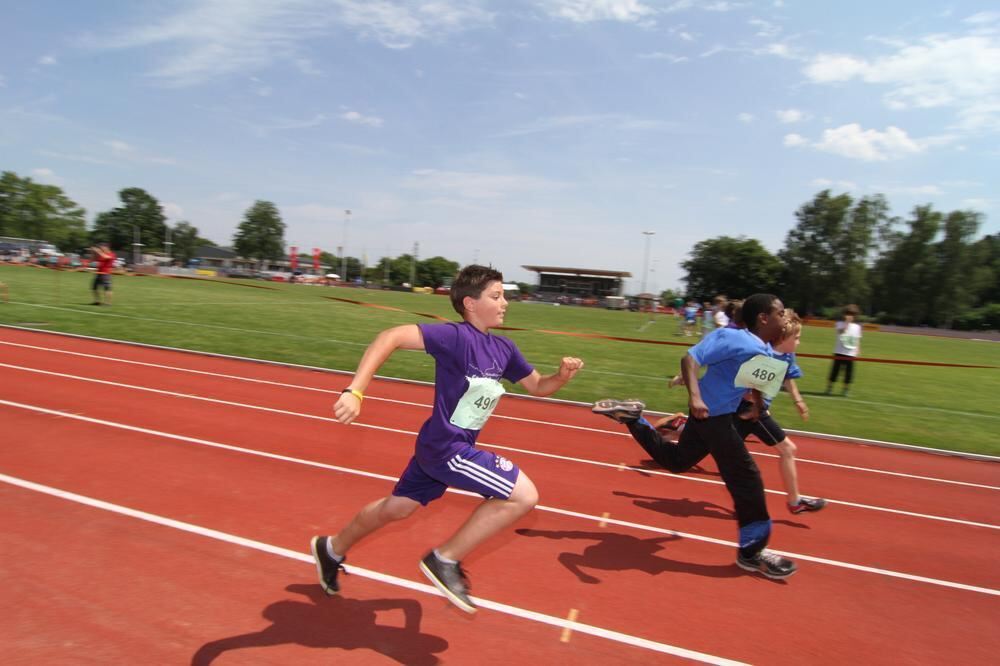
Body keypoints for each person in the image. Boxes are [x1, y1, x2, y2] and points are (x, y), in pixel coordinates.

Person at [311, 265, 584, 613]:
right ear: (470, 303)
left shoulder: (504, 348)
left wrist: (561, 377)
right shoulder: (455, 337)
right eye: (496, 296)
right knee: (523, 495)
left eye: (505, 296)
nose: (505, 303)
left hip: (440, 446)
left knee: (397, 508)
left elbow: (538, 386)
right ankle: (445, 559)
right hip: (446, 449)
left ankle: (331, 548)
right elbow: (390, 336)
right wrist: (355, 391)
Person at [593, 294, 797, 579]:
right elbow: (690, 358)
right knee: (747, 480)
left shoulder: (763, 348)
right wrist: (695, 397)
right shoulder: (732, 337)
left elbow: (753, 381)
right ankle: (752, 553)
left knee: (677, 461)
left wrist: (758, 406)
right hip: (713, 417)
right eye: (780, 312)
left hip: (713, 416)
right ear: (763, 318)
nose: (785, 317)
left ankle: (634, 419)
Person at [826, 304, 862, 397]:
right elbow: (841, 332)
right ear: (844, 314)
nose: (850, 316)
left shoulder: (857, 327)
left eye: (852, 314)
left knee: (848, 373)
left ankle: (845, 390)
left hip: (851, 353)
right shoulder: (839, 324)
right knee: (835, 371)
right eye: (848, 314)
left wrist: (858, 349)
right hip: (839, 351)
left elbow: (857, 338)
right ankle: (829, 388)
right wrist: (847, 323)